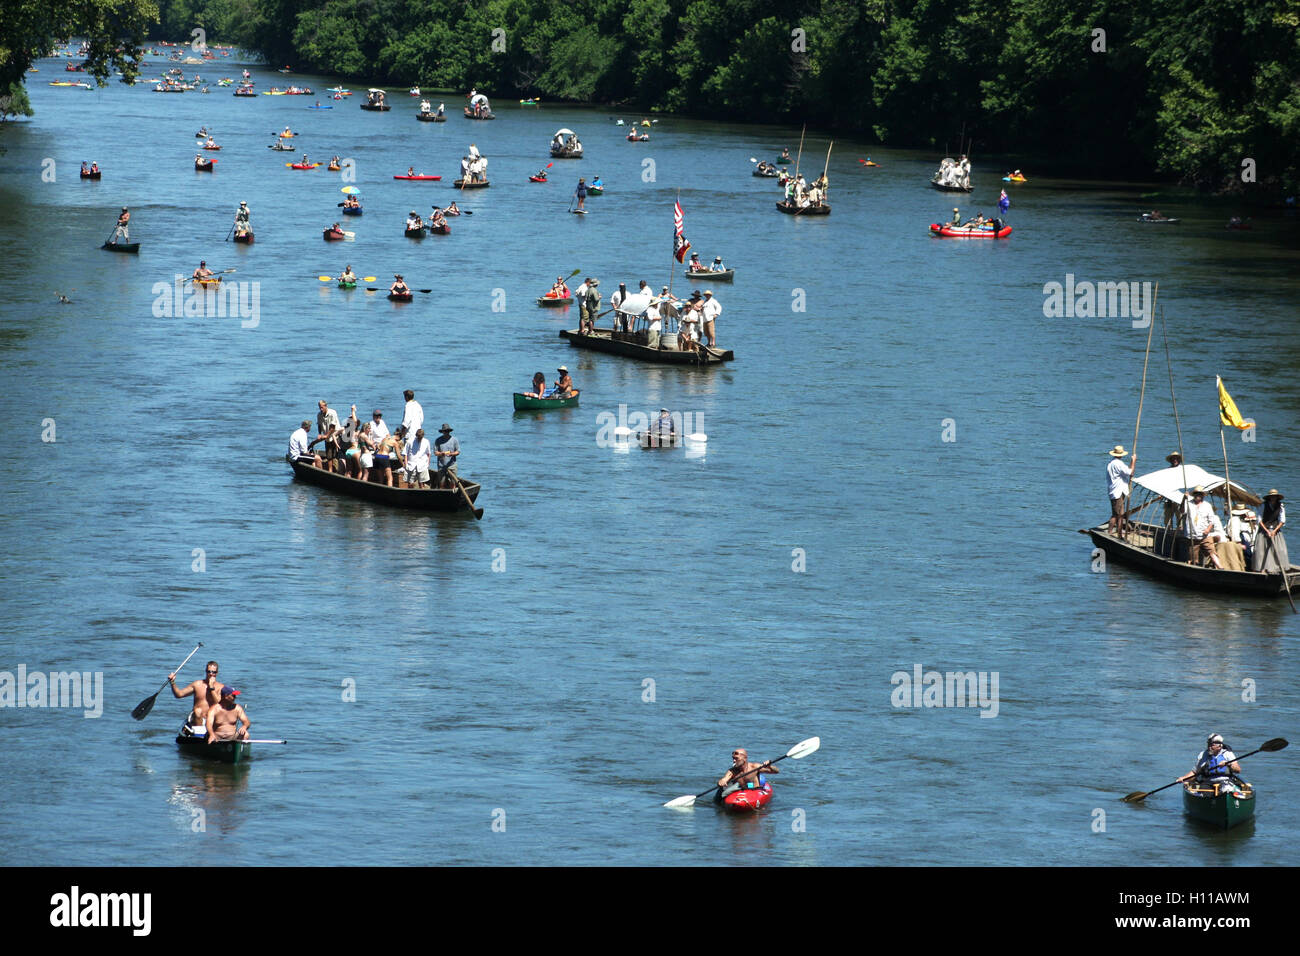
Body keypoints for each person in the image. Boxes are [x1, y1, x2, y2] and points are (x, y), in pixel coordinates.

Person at [170, 660, 224, 734]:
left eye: (213, 672)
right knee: (198, 711)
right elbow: (179, 694)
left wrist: (211, 688)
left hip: (212, 719)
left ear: (217, 673)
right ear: (206, 671)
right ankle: (198, 734)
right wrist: (172, 682)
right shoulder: (197, 684)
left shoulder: (221, 687)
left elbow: (220, 704)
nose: (211, 674)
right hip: (197, 718)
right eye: (209, 671)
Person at [1177, 734, 1243, 791]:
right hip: (1208, 782)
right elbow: (1195, 772)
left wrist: (1228, 764)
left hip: (1225, 781)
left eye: (1212, 745)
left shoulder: (1228, 754)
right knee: (1203, 792)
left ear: (1219, 746)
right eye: (1208, 744)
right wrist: (1184, 778)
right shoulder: (1204, 755)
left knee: (1227, 790)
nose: (1209, 747)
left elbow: (1238, 770)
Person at [1183, 486, 1224, 568]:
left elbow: (1211, 520)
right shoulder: (1188, 504)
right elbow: (1182, 511)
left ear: (1203, 495)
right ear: (1194, 495)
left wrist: (1208, 529)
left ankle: (1220, 568)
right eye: (1196, 493)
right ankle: (1193, 569)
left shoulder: (1207, 506)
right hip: (1192, 536)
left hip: (1205, 536)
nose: (1198, 495)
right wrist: (1184, 499)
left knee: (1212, 552)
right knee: (1192, 558)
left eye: (1200, 494)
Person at [1251, 489, 1288, 573]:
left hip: (1275, 530)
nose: (1273, 498)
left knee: (1279, 550)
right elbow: (1259, 520)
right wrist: (1267, 531)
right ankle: (1261, 568)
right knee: (1261, 550)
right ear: (1269, 497)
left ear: (1277, 497)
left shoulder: (1280, 506)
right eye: (1271, 496)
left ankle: (1276, 568)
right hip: (1264, 529)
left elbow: (1282, 520)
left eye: (1274, 496)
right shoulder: (1263, 505)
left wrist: (1274, 531)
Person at [1106, 445, 1134, 538]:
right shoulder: (1118, 464)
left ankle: (1119, 533)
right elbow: (1130, 472)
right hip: (1117, 492)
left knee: (1120, 514)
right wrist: (1133, 461)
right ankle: (1110, 532)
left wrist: (1131, 463)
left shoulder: (1111, 463)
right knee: (1117, 515)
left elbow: (1127, 472)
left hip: (1116, 491)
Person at [433, 424, 460, 489]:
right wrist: (441, 454)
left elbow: (458, 451)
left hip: (452, 465)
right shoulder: (438, 440)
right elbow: (435, 453)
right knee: (442, 483)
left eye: (447, 431)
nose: (446, 433)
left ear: (449, 431)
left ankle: (452, 494)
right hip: (441, 465)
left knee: (453, 483)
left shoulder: (454, 440)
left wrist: (452, 454)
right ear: (442, 432)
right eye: (445, 431)